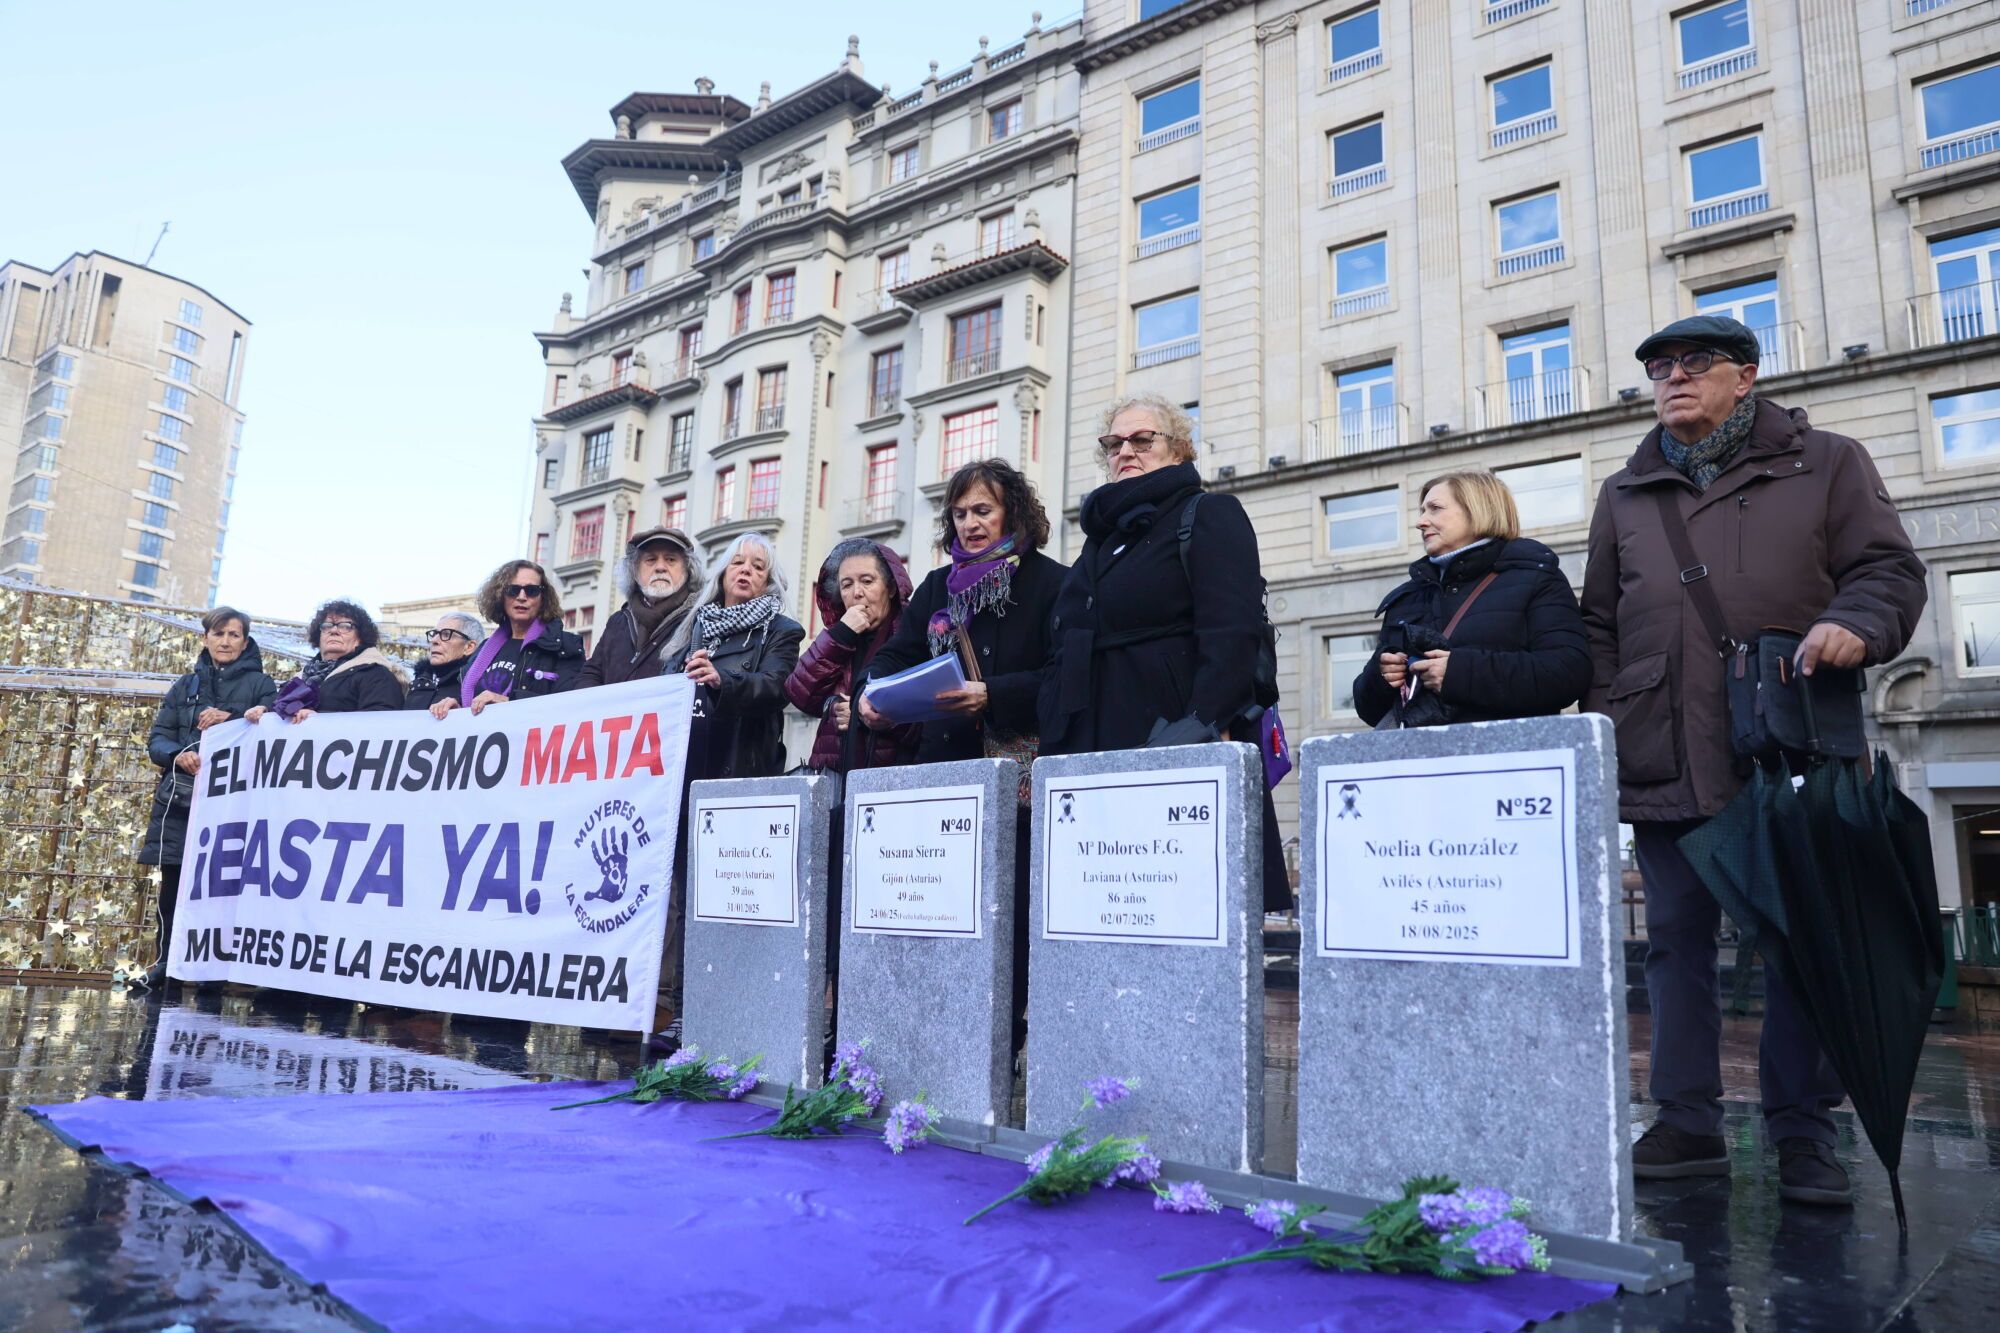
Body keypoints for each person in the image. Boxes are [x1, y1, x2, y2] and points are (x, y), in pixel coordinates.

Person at [1582, 313, 1927, 1206]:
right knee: (1675, 942)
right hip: (1663, 746)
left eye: (1695, 362)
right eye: (1658, 365)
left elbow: (1889, 569)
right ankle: (1687, 1122)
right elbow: (1597, 625)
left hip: (1789, 739)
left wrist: (1857, 622)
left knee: (1802, 943)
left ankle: (1804, 1132)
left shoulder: (1828, 460)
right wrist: (1604, 713)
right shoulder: (1626, 490)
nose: (1672, 377)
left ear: (1746, 374)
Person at [1038, 393, 1291, 912]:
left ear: (1177, 450)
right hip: (1090, 746)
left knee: (1181, 902)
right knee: (1099, 903)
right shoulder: (1098, 540)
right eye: (1113, 443)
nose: (1124, 450)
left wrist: (1200, 724)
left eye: (1142, 439)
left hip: (1171, 736)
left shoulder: (1208, 513)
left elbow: (1232, 630)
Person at [654, 532, 804, 1047]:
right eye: (736, 562)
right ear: (719, 573)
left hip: (738, 778)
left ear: (769, 581)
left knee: (733, 900)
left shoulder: (781, 630)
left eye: (758, 566)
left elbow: (777, 688)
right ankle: (684, 1014)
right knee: (684, 899)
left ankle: (740, 1011)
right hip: (683, 781)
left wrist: (722, 680)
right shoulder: (691, 629)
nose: (746, 570)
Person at [858, 458, 1066, 765]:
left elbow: (1063, 674)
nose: (969, 524)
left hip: (1023, 771)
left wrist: (991, 695)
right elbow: (897, 655)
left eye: (983, 511)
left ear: (1012, 512)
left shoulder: (1055, 582)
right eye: (960, 514)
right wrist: (868, 692)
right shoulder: (935, 586)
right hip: (943, 764)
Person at [1354, 468, 1589, 727]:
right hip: (1419, 762)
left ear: (1477, 510)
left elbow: (1569, 672)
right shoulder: (1406, 597)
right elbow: (1368, 710)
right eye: (1422, 511)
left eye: (1435, 508)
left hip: (1511, 759)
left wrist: (1459, 674)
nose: (1420, 522)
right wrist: (1381, 676)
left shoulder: (1536, 577)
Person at [136, 607, 277, 986]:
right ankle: (168, 962)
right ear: (205, 638)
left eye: (234, 635)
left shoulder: (262, 685)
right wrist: (176, 755)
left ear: (245, 642)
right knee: (174, 884)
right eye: (219, 634)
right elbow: (158, 739)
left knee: (224, 886)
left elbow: (271, 730)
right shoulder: (185, 685)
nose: (226, 641)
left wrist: (230, 717)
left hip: (235, 804)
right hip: (182, 800)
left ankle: (215, 973)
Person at [786, 538, 920, 773]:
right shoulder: (838, 637)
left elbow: (928, 718)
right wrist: (840, 636)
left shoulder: (912, 633)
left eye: (867, 581)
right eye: (846, 585)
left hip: (892, 778)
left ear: (890, 588)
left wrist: (866, 717)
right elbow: (799, 693)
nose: (857, 593)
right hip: (835, 778)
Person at [433, 560, 585, 715]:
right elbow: (472, 703)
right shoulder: (483, 650)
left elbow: (570, 707)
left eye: (531, 590)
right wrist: (456, 708)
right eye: (513, 590)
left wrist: (509, 702)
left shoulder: (565, 646)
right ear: (500, 596)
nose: (522, 596)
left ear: (543, 598)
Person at [580, 527, 704, 688]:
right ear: (634, 571)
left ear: (688, 570)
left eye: (671, 560)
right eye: (651, 560)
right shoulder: (618, 621)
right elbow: (591, 674)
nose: (660, 567)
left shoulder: (700, 619)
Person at [248, 599, 406, 721]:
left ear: (361, 637)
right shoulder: (299, 679)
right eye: (327, 625)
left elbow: (381, 725)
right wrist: (265, 712)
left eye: (345, 626)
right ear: (319, 635)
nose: (334, 630)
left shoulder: (376, 674)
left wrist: (320, 721)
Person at [407, 612, 485, 715]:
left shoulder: (478, 690)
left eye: (446, 634)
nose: (434, 640)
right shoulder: (419, 682)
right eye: (434, 634)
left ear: (469, 647)